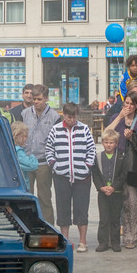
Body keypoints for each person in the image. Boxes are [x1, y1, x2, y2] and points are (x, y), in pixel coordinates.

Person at [44, 103, 96, 253]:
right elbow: (49, 149)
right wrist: (54, 165)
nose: (72, 119)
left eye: (74, 117)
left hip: (82, 176)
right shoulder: (56, 129)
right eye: (69, 116)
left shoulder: (84, 129)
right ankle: (65, 240)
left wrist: (87, 165)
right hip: (62, 176)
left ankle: (83, 241)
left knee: (81, 208)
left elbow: (91, 149)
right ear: (64, 115)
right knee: (63, 208)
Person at [108, 91, 137, 249]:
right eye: (126, 104)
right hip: (117, 163)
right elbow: (106, 134)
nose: (128, 107)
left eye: (131, 104)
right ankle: (114, 236)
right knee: (117, 201)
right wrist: (119, 117)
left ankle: (132, 236)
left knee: (132, 201)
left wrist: (132, 137)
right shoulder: (116, 117)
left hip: (134, 164)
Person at [22, 85, 61, 223]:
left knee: (44, 197)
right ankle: (27, 225)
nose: (36, 102)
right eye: (34, 99)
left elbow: (57, 141)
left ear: (46, 99)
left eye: (39, 99)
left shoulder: (54, 116)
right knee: (26, 196)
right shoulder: (25, 114)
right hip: (26, 160)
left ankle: (48, 227)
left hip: (43, 162)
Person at [91, 128, 124, 253]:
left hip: (116, 192)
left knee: (115, 218)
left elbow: (122, 174)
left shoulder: (120, 157)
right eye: (106, 142)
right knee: (104, 219)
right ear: (102, 143)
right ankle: (103, 242)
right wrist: (101, 187)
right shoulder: (98, 157)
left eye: (111, 142)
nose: (108, 145)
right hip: (103, 193)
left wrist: (114, 186)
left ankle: (115, 242)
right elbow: (95, 174)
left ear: (116, 144)